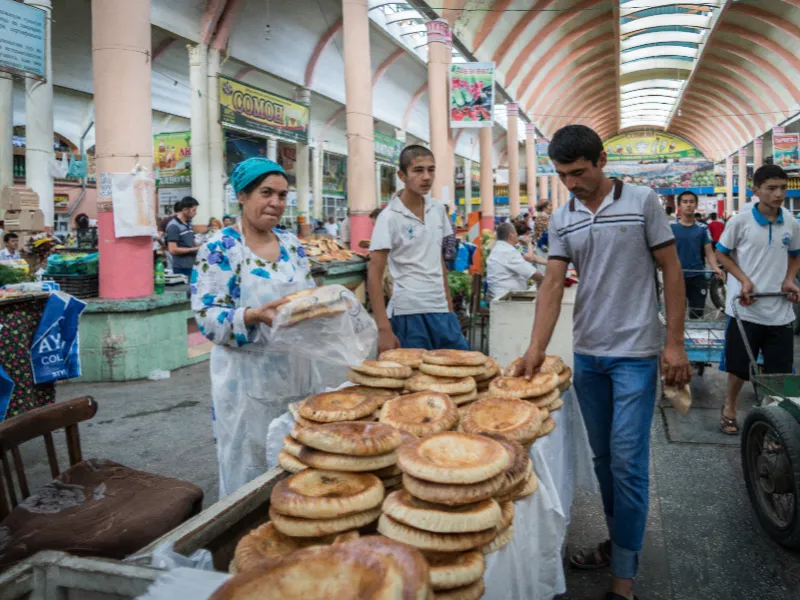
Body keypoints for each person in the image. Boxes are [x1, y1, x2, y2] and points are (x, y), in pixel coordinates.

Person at [517, 125, 690, 600]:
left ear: (601, 160)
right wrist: (536, 347)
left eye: (578, 172)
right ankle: (620, 545)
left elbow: (671, 269)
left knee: (629, 462)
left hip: (635, 353)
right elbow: (552, 284)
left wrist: (674, 344)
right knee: (604, 460)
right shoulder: (563, 218)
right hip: (588, 356)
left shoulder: (642, 202)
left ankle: (624, 578)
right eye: (562, 176)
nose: (571, 183)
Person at [191, 157, 315, 497]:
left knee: (294, 459)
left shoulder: (291, 245)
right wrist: (252, 315)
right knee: (249, 464)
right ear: (242, 196)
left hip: (294, 372)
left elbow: (307, 296)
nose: (275, 203)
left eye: (282, 194)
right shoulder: (221, 248)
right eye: (266, 193)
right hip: (243, 380)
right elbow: (206, 316)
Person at [716, 164, 800, 435]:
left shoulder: (790, 221)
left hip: (779, 309)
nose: (778, 194)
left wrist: (789, 279)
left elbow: (795, 254)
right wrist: (744, 280)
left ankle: (774, 421)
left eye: (782, 188)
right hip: (745, 308)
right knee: (739, 368)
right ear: (756, 191)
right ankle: (729, 406)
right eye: (771, 188)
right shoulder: (740, 221)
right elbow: (722, 254)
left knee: (780, 372)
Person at [369, 145, 470, 353]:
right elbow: (374, 273)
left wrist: (450, 310)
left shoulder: (437, 210)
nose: (426, 177)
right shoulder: (388, 217)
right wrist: (383, 328)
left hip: (441, 310)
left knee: (460, 374)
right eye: (418, 170)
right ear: (402, 175)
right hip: (408, 312)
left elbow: (439, 262)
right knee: (415, 380)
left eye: (431, 170)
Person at [671, 191, 724, 319]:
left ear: (695, 205)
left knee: (697, 313)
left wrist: (716, 268)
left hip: (698, 276)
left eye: (691, 202)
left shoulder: (702, 228)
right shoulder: (670, 227)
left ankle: (695, 338)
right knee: (676, 315)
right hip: (676, 276)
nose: (688, 205)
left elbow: (709, 251)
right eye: (684, 202)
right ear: (679, 206)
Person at [486, 222, 543, 301]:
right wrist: (543, 280)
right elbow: (531, 273)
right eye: (516, 233)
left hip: (501, 295)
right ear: (511, 235)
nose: (517, 235)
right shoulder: (507, 251)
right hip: (505, 299)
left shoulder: (498, 248)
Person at [166, 197, 201, 278]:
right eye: (194, 210)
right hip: (182, 267)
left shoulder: (189, 223)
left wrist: (201, 247)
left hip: (192, 264)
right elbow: (172, 249)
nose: (196, 213)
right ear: (185, 210)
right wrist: (194, 249)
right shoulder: (174, 226)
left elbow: (192, 241)